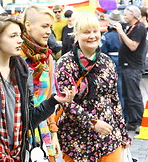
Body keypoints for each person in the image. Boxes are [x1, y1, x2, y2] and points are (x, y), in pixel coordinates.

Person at [0, 16, 75, 162]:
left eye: (20, 36)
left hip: (17, 155)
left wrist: (54, 101)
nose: (20, 40)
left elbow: (28, 120)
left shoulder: (22, 72)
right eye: (13, 36)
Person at [56, 13, 131, 162]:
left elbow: (114, 99)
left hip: (108, 138)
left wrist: (123, 134)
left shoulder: (107, 62)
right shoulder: (66, 63)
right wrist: (92, 123)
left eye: (95, 31)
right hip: (76, 141)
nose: (92, 36)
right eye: (86, 32)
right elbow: (65, 102)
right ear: (76, 34)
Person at [20, 5, 60, 161]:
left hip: (43, 132)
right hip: (20, 131)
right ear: (28, 26)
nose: (49, 31)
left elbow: (49, 98)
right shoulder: (15, 56)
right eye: (44, 26)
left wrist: (53, 132)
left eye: (50, 26)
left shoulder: (47, 58)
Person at [113, 5, 147, 132]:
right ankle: (132, 121)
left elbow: (133, 46)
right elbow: (125, 43)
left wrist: (121, 32)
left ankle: (141, 122)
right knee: (127, 95)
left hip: (133, 66)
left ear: (133, 14)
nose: (124, 16)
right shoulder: (131, 28)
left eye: (126, 14)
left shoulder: (139, 28)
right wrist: (121, 33)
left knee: (134, 95)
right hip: (126, 65)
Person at [100, 10, 126, 117]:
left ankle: (119, 115)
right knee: (125, 92)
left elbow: (103, 51)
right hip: (125, 63)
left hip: (112, 63)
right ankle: (126, 116)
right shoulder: (124, 33)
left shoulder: (107, 35)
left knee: (116, 92)